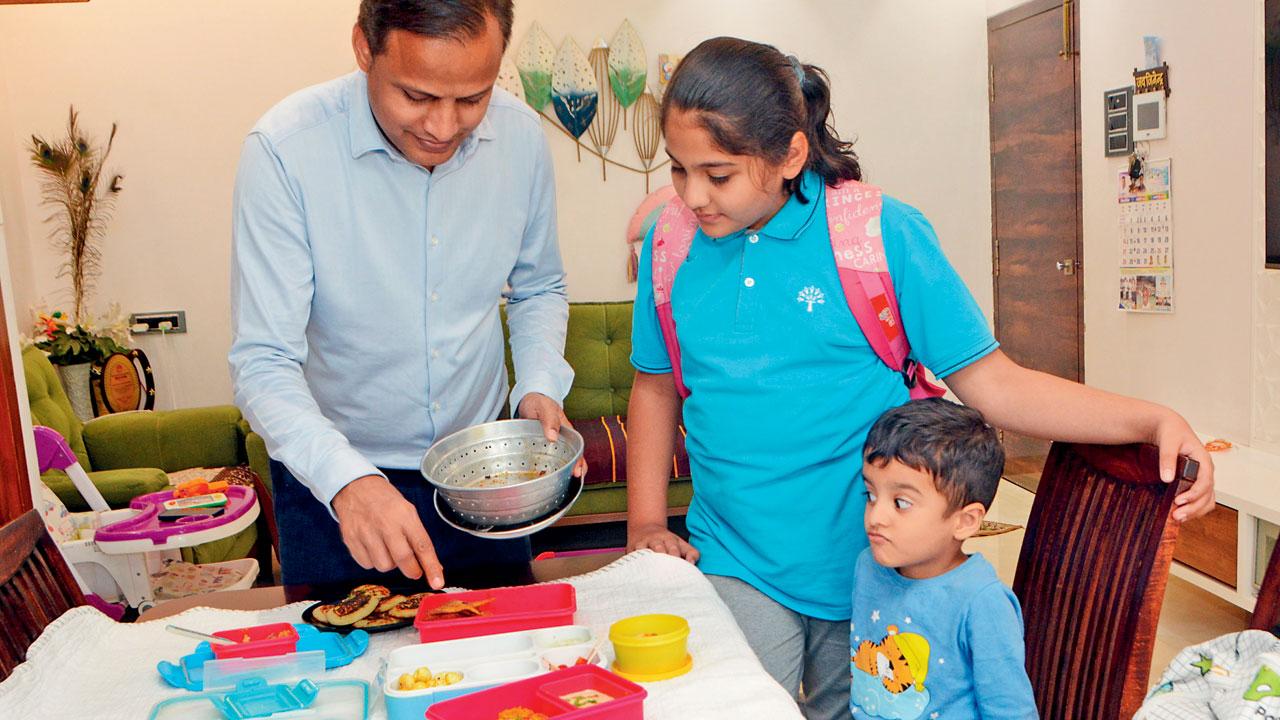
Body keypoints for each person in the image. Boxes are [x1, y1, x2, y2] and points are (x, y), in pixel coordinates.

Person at [623, 36, 1214, 719]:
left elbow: (997, 386)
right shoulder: (672, 244)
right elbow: (655, 384)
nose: (693, 196)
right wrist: (644, 521)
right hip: (735, 553)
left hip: (879, 563)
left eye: (718, 174)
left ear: (789, 154)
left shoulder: (880, 235)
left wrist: (1151, 419)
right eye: (679, 170)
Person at [229, 0, 581, 588]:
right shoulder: (285, 150)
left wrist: (539, 384)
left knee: (507, 665)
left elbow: (538, 285)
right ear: (364, 49)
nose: (443, 127)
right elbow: (264, 361)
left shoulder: (520, 138)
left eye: (473, 98)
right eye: (416, 97)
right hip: (335, 484)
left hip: (484, 481)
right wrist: (348, 481)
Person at [851, 398, 1035, 719]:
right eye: (871, 495)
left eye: (901, 503)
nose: (875, 516)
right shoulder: (868, 566)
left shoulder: (982, 603)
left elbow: (1012, 712)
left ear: (964, 521)